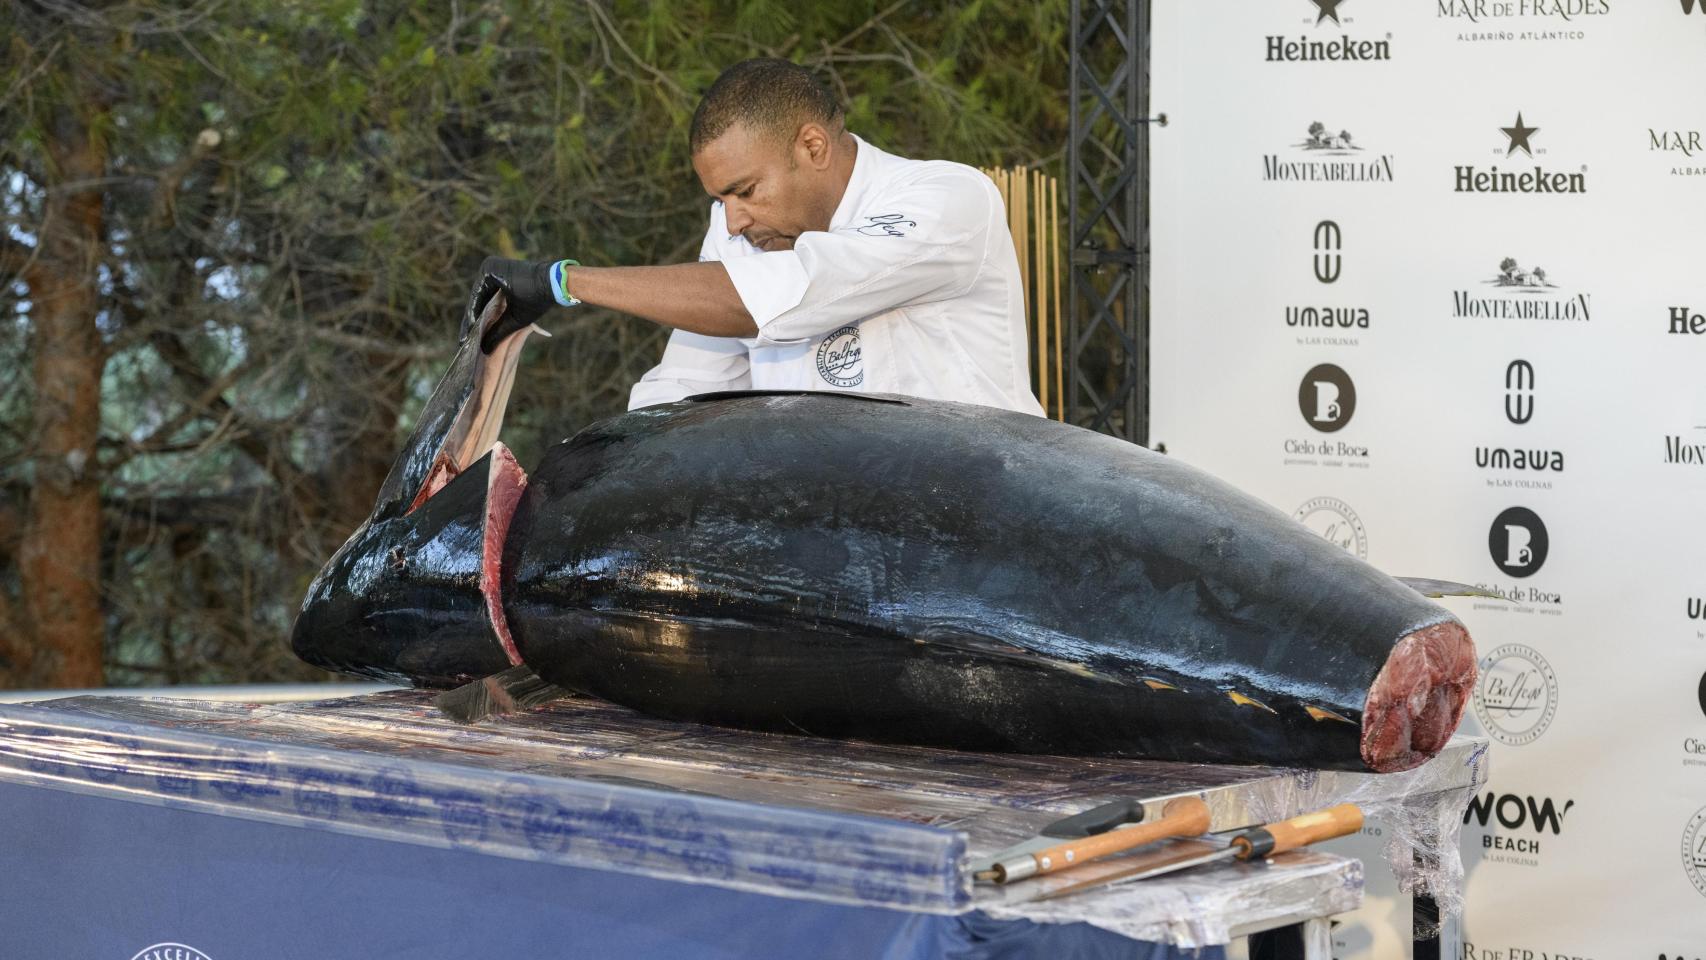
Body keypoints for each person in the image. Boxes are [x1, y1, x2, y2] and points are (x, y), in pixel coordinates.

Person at [467, 57, 1044, 417]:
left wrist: (564, 282)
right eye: (720, 200)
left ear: (812, 147)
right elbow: (685, 391)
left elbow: (791, 294)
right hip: (847, 544)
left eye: (745, 190)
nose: (734, 220)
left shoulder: (945, 197)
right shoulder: (739, 234)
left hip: (983, 533)